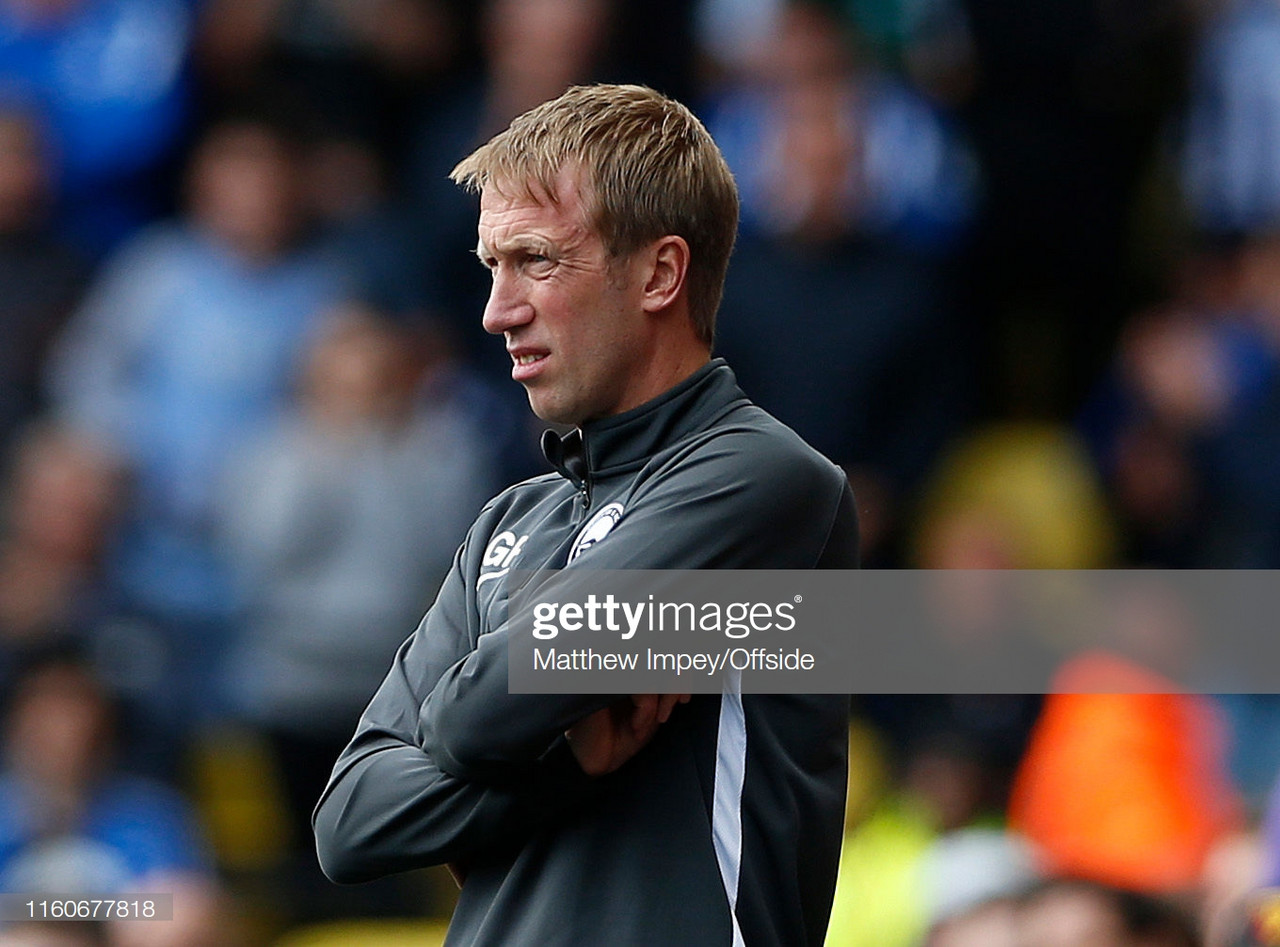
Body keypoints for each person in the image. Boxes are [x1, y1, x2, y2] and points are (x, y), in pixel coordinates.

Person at [313, 83, 859, 946]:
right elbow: (349, 822)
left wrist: (485, 723)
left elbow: (473, 716)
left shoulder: (764, 479)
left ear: (660, 272)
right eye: (492, 267)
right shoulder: (508, 522)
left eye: (535, 259)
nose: (498, 312)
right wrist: (564, 758)